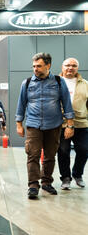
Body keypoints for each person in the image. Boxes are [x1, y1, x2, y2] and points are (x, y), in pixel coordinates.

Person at [15, 53, 75, 199]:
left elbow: (66, 103)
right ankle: (33, 185)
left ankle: (46, 182)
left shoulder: (58, 82)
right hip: (33, 125)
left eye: (39, 66)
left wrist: (70, 125)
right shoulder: (27, 83)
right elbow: (21, 103)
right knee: (33, 155)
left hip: (54, 125)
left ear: (48, 65)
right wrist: (19, 124)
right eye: (34, 66)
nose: (35, 69)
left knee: (50, 156)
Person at [57, 58, 88, 189]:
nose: (70, 68)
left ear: (77, 68)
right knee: (63, 151)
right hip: (61, 124)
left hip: (81, 123)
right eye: (67, 65)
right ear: (62, 67)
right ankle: (65, 178)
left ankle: (77, 173)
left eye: (74, 65)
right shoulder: (55, 82)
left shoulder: (85, 84)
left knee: (84, 150)